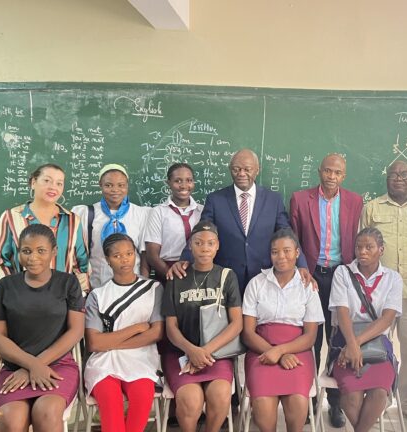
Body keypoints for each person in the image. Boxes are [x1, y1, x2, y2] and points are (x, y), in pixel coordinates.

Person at [289, 153, 363, 427]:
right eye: (328, 171)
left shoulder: (355, 201)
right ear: (320, 171)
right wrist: (301, 266)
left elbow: (355, 238)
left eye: (337, 173)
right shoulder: (300, 198)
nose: (332, 176)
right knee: (311, 339)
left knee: (338, 340)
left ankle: (335, 402)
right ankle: (308, 399)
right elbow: (293, 236)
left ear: (344, 175)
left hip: (341, 276)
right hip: (310, 276)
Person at [169, 149, 311, 291]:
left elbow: (286, 233)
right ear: (230, 170)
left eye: (247, 169)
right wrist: (185, 259)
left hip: (264, 276)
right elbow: (202, 231)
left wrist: (302, 264)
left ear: (257, 170)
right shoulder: (216, 199)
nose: (241, 174)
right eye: (236, 169)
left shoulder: (273, 199)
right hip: (225, 277)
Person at [0, 224, 84, 432]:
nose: (33, 258)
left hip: (58, 366)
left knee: (46, 412)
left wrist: (37, 365)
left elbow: (76, 331)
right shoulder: (4, 286)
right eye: (26, 251)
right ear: (18, 251)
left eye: (41, 251)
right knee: (11, 419)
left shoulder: (68, 283)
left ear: (54, 252)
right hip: (14, 369)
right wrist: (30, 365)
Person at [359, 160, 407, 424]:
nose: (399, 179)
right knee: (377, 346)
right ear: (386, 178)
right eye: (393, 174)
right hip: (379, 293)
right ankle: (379, 400)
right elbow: (362, 249)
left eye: (404, 175)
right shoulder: (372, 208)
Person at [161, 220, 243, 432]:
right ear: (190, 246)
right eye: (198, 243)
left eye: (210, 243)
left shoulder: (227, 276)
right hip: (181, 353)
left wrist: (204, 352)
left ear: (217, 246)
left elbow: (236, 324)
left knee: (220, 395)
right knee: (191, 401)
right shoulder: (176, 277)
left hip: (215, 353)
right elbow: (171, 327)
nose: (204, 248)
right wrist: (192, 351)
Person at [241, 228, 324, 432]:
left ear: (297, 253)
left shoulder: (307, 286)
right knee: (262, 406)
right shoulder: (256, 283)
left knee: (297, 401)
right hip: (261, 351)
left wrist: (281, 351)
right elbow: (248, 333)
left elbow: (310, 336)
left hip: (298, 352)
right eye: (275, 252)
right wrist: (274, 353)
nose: (281, 257)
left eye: (287, 251)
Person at [83, 233, 163, 432]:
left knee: (143, 398)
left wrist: (109, 341)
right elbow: (94, 343)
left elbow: (156, 333)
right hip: (104, 363)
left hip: (142, 360)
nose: (124, 259)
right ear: (107, 260)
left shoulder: (153, 288)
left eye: (129, 253)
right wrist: (135, 328)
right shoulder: (98, 295)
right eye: (117, 255)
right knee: (111, 405)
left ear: (135, 255)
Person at [328, 227, 402, 432]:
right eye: (359, 247)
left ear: (381, 250)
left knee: (379, 392)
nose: (362, 252)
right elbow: (342, 313)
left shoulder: (393, 278)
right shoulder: (343, 273)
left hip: (377, 342)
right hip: (344, 337)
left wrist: (356, 344)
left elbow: (387, 319)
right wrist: (350, 344)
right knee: (351, 396)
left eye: (369, 247)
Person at [0, 163, 89, 290]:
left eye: (59, 183)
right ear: (33, 182)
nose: (53, 187)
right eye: (47, 180)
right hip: (21, 298)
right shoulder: (12, 217)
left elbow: (81, 266)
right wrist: (13, 291)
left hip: (61, 299)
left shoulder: (72, 220)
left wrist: (79, 298)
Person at [72, 164, 151, 289]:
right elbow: (78, 253)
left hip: (132, 285)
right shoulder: (87, 214)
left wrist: (144, 284)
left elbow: (144, 253)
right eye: (108, 185)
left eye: (121, 185)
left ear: (127, 186)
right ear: (100, 185)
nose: (115, 190)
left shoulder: (141, 214)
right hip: (97, 284)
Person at [144, 162, 203, 284]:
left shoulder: (203, 211)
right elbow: (152, 254)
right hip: (167, 273)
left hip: (200, 272)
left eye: (189, 180)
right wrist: (171, 275)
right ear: (168, 183)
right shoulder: (157, 212)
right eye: (178, 181)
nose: (184, 185)